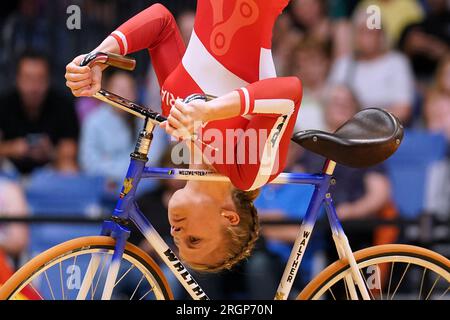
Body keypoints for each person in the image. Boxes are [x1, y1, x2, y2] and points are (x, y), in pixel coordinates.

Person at [65, 2, 303, 272]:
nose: (177, 235)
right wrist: (208, 110)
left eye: (179, 244)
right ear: (229, 217)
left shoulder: (179, 125)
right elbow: (289, 92)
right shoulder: (248, 171)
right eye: (194, 240)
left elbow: (161, 23)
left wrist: (98, 57)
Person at [328, 8, 415, 124]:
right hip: (346, 128)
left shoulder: (397, 62)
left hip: (386, 131)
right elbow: (331, 103)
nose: (368, 37)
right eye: (363, 31)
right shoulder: (344, 64)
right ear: (354, 35)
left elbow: (404, 109)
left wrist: (368, 124)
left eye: (373, 32)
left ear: (382, 35)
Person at [0, 50, 79, 175]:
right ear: (17, 79)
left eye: (40, 79)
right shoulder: (4, 104)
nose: (34, 87)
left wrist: (51, 152)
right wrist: (13, 148)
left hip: (50, 170)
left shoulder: (63, 105)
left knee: (69, 167)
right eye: (28, 78)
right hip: (9, 169)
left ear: (48, 80)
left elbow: (70, 151)